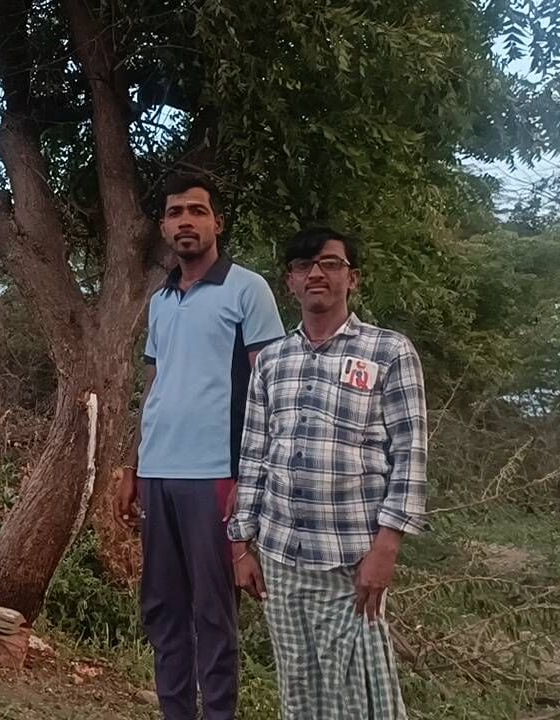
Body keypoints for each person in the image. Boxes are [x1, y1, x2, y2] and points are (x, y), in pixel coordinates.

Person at [230, 227, 428, 719]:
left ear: (352, 279)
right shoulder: (273, 360)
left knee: (363, 696)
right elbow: (255, 453)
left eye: (330, 264)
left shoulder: (388, 352)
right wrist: (240, 546)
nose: (316, 273)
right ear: (290, 284)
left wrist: (387, 548)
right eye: (303, 266)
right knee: (299, 691)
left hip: (350, 561)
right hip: (279, 556)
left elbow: (410, 455)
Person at [114, 174, 285, 720]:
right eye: (175, 213)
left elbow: (270, 389)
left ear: (217, 222)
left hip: (216, 474)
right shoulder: (162, 299)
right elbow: (155, 385)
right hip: (159, 472)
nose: (185, 221)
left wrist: (252, 478)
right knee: (163, 607)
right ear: (164, 227)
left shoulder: (247, 289)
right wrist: (132, 465)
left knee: (215, 613)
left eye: (197, 211)